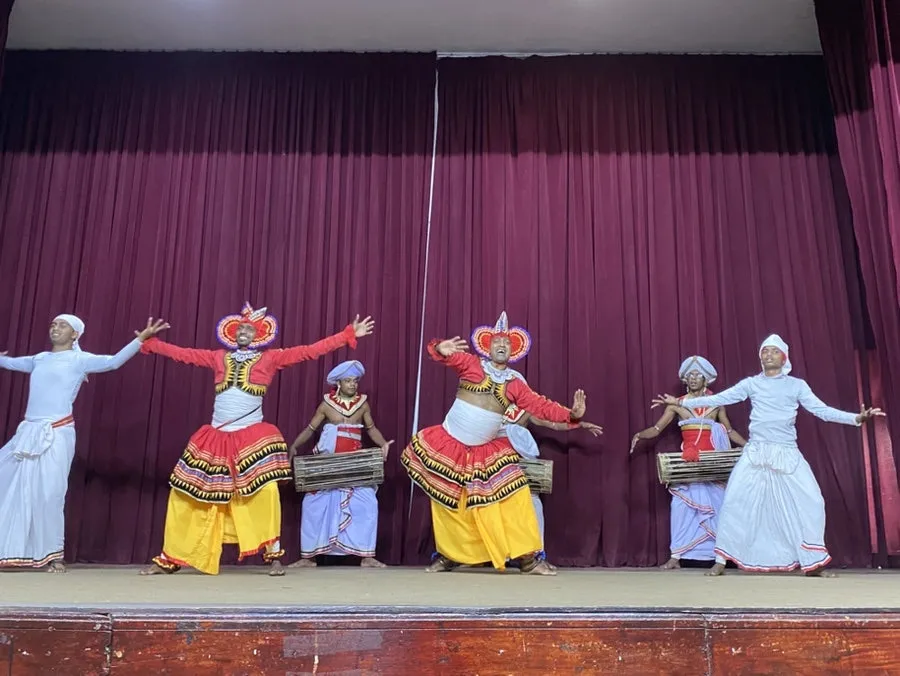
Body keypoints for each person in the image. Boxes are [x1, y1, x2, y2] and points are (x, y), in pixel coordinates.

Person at [140, 304, 374, 576]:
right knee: (187, 494)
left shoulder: (270, 359)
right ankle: (171, 557)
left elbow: (309, 351)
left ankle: (273, 554)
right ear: (232, 333)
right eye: (240, 328)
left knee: (266, 493)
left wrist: (346, 335)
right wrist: (152, 343)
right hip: (215, 439)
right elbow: (185, 354)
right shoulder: (218, 357)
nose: (244, 332)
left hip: (251, 436)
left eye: (249, 329)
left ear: (259, 335)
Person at [654, 335, 884, 577]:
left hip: (786, 452)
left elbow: (822, 410)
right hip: (756, 451)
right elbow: (720, 398)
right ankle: (721, 559)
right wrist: (680, 402)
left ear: (784, 357)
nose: (769, 355)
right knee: (733, 502)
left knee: (813, 502)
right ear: (760, 357)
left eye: (774, 351)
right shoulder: (752, 384)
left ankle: (814, 562)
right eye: (765, 351)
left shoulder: (797, 385)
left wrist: (855, 418)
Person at [402, 311, 589, 576]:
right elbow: (445, 355)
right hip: (449, 445)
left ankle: (527, 559)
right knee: (448, 504)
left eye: (507, 343)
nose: (502, 346)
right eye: (497, 342)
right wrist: (440, 348)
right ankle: (449, 556)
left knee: (517, 494)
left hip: (486, 452)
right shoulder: (471, 364)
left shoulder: (515, 384)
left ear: (514, 351)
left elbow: (541, 406)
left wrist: (572, 414)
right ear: (487, 347)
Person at [0, 315, 169, 572]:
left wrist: (140, 340)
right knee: (13, 484)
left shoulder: (80, 360)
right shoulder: (39, 359)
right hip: (28, 431)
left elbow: (113, 362)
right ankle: (12, 549)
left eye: (62, 325)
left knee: (50, 494)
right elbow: (9, 362)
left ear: (75, 334)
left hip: (57, 433)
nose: (55, 328)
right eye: (53, 324)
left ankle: (53, 555)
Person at [631, 356, 746, 569]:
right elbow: (656, 429)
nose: (693, 378)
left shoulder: (716, 403)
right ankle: (676, 556)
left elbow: (729, 431)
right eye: (690, 375)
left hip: (712, 465)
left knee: (718, 509)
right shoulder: (676, 404)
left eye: (697, 375)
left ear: (705, 379)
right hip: (689, 464)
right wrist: (640, 435)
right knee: (681, 509)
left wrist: (748, 445)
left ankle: (723, 557)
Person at [288, 360, 392, 568]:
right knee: (312, 505)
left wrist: (383, 444)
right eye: (348, 381)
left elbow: (371, 429)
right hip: (328, 465)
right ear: (338, 383)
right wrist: (294, 446)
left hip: (354, 465)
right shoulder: (327, 405)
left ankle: (366, 556)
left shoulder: (363, 404)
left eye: (355, 381)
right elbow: (310, 429)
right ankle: (308, 557)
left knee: (368, 503)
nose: (353, 384)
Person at [500, 403, 602, 568]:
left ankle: (536, 555)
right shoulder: (485, 403)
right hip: (494, 464)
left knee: (532, 503)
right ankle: (500, 555)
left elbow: (553, 423)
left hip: (521, 462)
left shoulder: (525, 407)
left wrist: (579, 424)